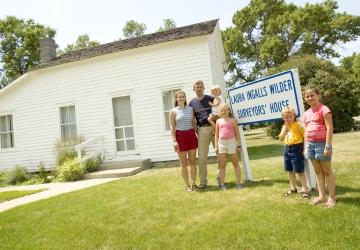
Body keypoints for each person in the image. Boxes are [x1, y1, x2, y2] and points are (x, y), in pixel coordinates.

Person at [303, 86, 336, 207]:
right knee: (317, 172)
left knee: (327, 172)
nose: (310, 98)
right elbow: (306, 131)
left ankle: (332, 198)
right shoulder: (306, 113)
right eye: (307, 96)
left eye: (312, 95)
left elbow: (330, 128)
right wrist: (306, 147)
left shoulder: (324, 109)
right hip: (310, 145)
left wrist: (327, 145)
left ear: (318, 96)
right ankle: (321, 197)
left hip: (322, 144)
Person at [278, 106, 310, 199]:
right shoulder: (284, 126)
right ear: (283, 118)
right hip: (287, 149)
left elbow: (305, 138)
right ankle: (293, 188)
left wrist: (304, 149)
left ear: (294, 116)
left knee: (300, 171)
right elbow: (281, 138)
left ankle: (305, 190)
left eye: (290, 116)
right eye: (286, 117)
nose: (288, 119)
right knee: (290, 170)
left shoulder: (298, 125)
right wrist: (284, 130)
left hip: (297, 148)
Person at [169, 90, 198, 192]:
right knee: (184, 163)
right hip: (180, 136)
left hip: (191, 135)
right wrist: (174, 141)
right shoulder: (173, 111)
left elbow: (194, 124)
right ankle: (187, 185)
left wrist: (199, 135)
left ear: (185, 98)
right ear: (176, 99)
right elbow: (172, 128)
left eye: (183, 96)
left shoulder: (190, 109)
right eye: (179, 97)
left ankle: (194, 183)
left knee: (193, 161)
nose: (181, 98)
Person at [189, 80, 215, 188]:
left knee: (220, 154)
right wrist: (196, 130)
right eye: (197, 87)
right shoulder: (192, 103)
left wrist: (216, 127)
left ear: (204, 88)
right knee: (201, 158)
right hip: (202, 130)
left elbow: (217, 112)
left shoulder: (210, 99)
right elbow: (192, 119)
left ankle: (220, 180)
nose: (199, 88)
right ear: (194, 89)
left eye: (201, 86)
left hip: (214, 129)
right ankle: (203, 182)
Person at [214, 104, 243, 190]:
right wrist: (216, 145)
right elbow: (216, 134)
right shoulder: (218, 121)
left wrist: (238, 144)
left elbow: (237, 133)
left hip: (232, 143)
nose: (224, 112)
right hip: (222, 144)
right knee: (222, 165)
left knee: (235, 164)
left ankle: (239, 183)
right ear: (220, 112)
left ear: (228, 111)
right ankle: (222, 184)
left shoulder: (233, 120)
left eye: (225, 110)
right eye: (222, 110)